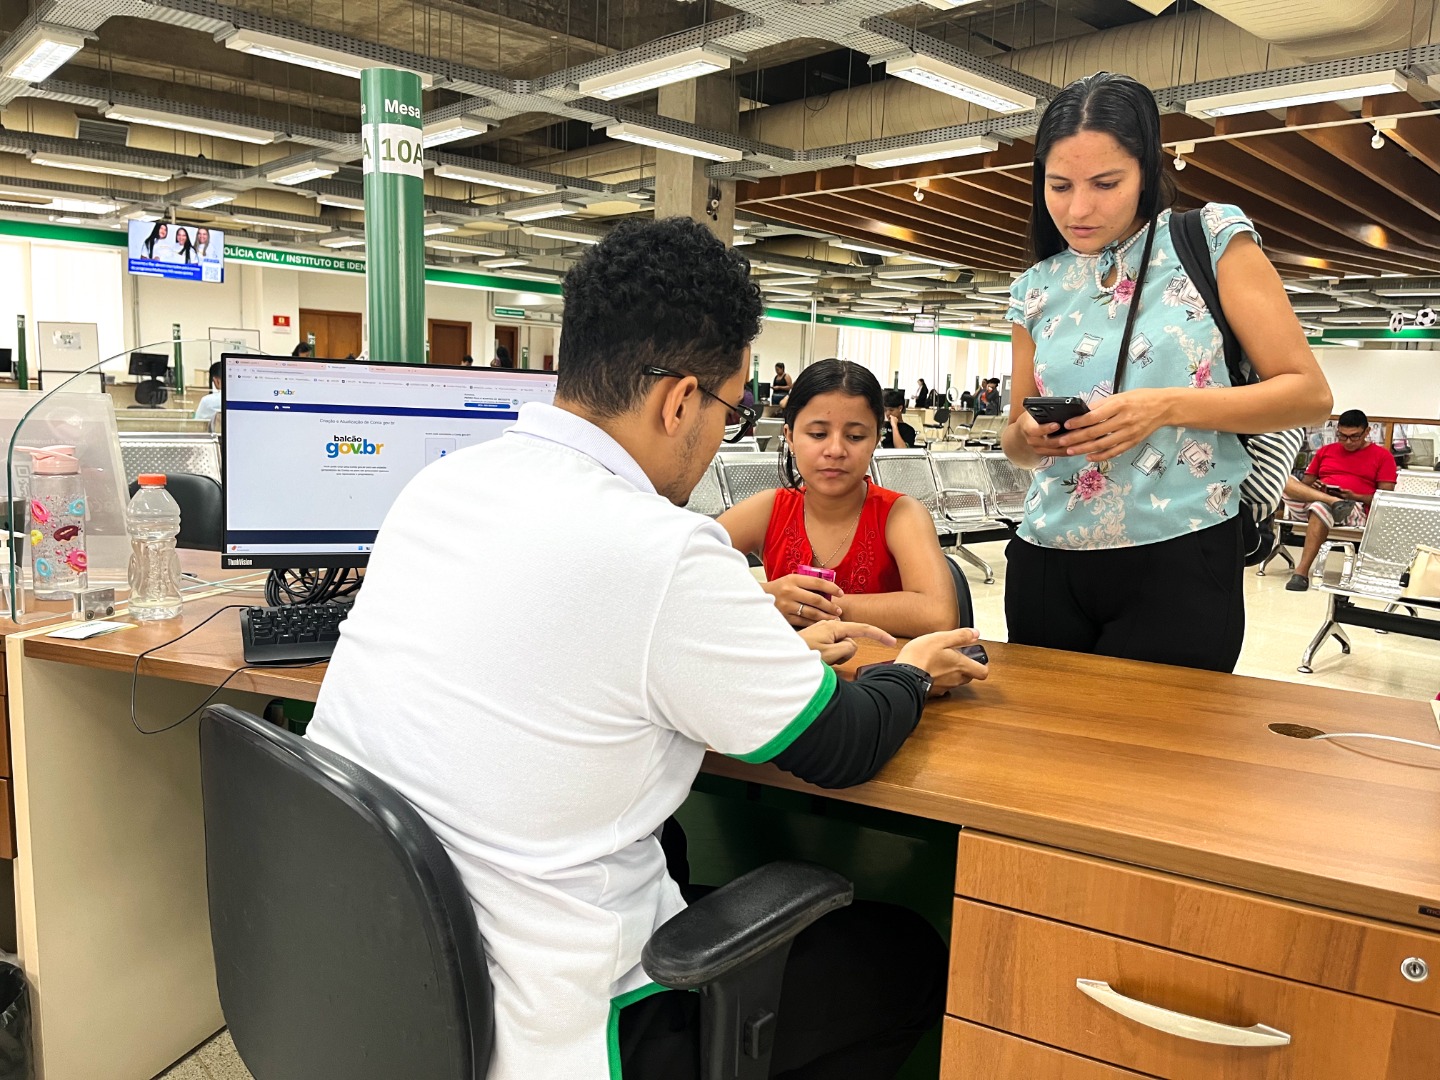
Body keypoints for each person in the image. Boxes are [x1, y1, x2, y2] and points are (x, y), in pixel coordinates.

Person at [306, 218, 986, 1080]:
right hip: (559, 1023)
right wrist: (911, 672)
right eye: (730, 412)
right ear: (679, 402)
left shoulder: (442, 484)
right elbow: (842, 744)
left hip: (384, 967)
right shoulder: (658, 547)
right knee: (902, 954)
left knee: (670, 845)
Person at [1000, 71, 1331, 673]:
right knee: (1044, 757)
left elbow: (1309, 396)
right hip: (1046, 555)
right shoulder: (1034, 287)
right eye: (1059, 185)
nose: (1078, 207)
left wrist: (1163, 406)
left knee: (1163, 757)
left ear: (1149, 170)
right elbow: (1015, 437)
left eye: (1105, 183)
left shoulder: (1209, 238)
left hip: (1180, 554)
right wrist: (1027, 436)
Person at [719, 359, 960, 638]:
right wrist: (765, 597)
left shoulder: (901, 515)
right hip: (796, 676)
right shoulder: (769, 509)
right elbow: (676, 573)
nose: (835, 450)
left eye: (855, 436)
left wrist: (811, 605)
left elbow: (938, 614)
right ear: (790, 437)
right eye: (818, 434)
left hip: (879, 678)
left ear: (875, 441)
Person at [1282, 409, 1396, 591]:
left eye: (1354, 437)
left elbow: (1386, 499)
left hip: (1354, 508)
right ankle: (1329, 500)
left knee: (1320, 507)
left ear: (1367, 432)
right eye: (1342, 436)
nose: (1348, 442)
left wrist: (1354, 496)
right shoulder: (1326, 451)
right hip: (1314, 504)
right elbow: (1304, 485)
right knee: (1284, 480)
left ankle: (1301, 573)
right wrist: (1317, 489)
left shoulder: (1383, 456)